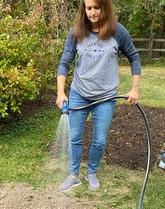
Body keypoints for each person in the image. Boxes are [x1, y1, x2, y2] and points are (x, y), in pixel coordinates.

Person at [56, 0, 141, 192]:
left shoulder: (118, 31)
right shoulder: (76, 32)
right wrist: (61, 93)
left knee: (99, 140)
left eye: (96, 7)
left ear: (104, 8)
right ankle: (74, 175)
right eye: (88, 8)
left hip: (105, 97)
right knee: (75, 137)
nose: (92, 12)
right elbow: (64, 63)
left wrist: (134, 88)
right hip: (80, 94)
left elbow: (134, 57)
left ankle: (91, 172)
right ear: (83, 9)